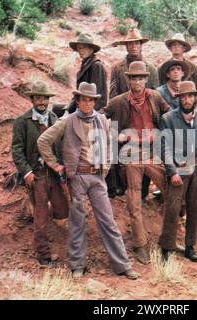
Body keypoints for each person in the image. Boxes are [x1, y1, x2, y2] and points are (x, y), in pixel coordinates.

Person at [37, 82, 139, 280]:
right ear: (78, 100)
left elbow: (110, 144)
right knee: (77, 222)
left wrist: (106, 167)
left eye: (91, 100)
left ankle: (122, 265)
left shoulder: (101, 120)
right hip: (77, 177)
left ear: (95, 101)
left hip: (97, 177)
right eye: (84, 99)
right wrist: (55, 165)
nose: (87, 103)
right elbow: (43, 141)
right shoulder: (68, 121)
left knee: (108, 221)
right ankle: (77, 265)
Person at [102, 61, 170, 264]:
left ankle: (168, 239)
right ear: (128, 79)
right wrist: (117, 135)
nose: (137, 81)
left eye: (141, 78)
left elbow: (169, 115)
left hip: (153, 150)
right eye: (134, 78)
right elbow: (101, 117)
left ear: (146, 79)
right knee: (134, 199)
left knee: (171, 188)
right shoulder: (119, 101)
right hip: (131, 152)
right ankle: (140, 244)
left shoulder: (155, 97)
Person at [11, 80, 68, 267]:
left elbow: (60, 147)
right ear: (32, 100)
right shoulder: (22, 121)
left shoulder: (54, 119)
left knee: (62, 209)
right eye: (38, 98)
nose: (41, 102)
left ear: (48, 100)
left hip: (54, 173)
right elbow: (17, 150)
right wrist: (26, 172)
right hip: (36, 175)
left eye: (44, 98)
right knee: (41, 216)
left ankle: (62, 245)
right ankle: (43, 255)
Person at [159, 81, 197, 262]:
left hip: (196, 171)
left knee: (194, 210)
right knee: (172, 209)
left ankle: (190, 246)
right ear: (178, 98)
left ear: (196, 97)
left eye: (190, 96)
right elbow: (164, 148)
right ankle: (166, 247)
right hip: (178, 171)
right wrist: (171, 172)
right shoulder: (168, 119)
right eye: (183, 97)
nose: (187, 100)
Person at [108, 28, 159, 199]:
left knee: (146, 150)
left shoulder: (151, 68)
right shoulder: (117, 68)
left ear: (141, 45)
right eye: (130, 43)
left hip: (144, 116)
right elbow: (113, 93)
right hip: (123, 113)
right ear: (126, 46)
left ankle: (143, 189)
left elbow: (154, 95)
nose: (133, 46)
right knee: (120, 148)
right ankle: (121, 185)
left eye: (136, 43)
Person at [158, 33, 197, 112]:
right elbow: (159, 91)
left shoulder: (194, 68)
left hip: (190, 109)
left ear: (184, 48)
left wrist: (195, 110)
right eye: (174, 45)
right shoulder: (163, 68)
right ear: (170, 48)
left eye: (179, 45)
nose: (176, 47)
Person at [65, 33, 107, 114]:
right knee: (57, 109)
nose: (81, 51)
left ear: (91, 49)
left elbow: (98, 95)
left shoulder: (96, 66)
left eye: (84, 48)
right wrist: (67, 109)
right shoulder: (85, 64)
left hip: (91, 110)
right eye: (79, 48)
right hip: (83, 106)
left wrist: (89, 114)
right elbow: (79, 93)